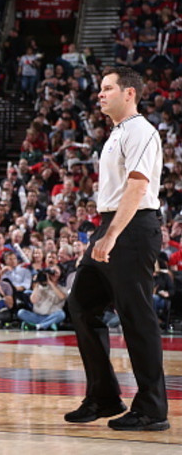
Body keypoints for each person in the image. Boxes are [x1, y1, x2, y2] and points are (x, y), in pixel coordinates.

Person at [65, 67, 168, 431]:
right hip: (110, 225)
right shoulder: (117, 133)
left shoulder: (141, 130)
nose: (100, 94)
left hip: (132, 227)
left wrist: (111, 236)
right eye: (100, 88)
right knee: (80, 306)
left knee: (137, 318)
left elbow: (138, 187)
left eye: (108, 88)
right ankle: (104, 396)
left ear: (130, 94)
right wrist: (105, 233)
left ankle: (152, 409)